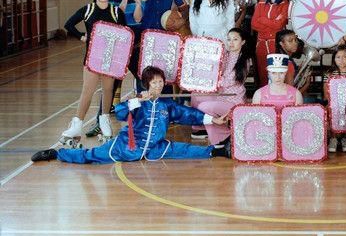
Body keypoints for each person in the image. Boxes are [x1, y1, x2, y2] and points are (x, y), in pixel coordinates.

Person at [32, 66, 230, 164]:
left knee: (182, 149)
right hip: (126, 147)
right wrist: (138, 101)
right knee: (91, 156)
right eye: (154, 82)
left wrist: (214, 120)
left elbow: (188, 114)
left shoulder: (167, 104)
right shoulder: (137, 102)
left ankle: (216, 152)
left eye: (161, 82)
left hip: (154, 147)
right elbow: (119, 113)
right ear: (147, 84)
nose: (158, 85)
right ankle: (57, 154)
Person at [59, 0, 128, 145]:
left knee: (108, 90)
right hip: (92, 59)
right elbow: (69, 24)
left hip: (110, 59)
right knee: (87, 92)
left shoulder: (116, 12)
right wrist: (81, 36)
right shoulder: (88, 9)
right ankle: (77, 125)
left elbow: (125, 34)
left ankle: (104, 122)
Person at [86, 0, 145, 138]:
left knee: (142, 80)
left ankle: (142, 120)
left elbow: (138, 19)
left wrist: (138, 3)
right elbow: (115, 16)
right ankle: (100, 122)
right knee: (110, 87)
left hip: (135, 45)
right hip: (117, 49)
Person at [191, 28, 251, 146]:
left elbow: (229, 81)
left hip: (232, 99)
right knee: (195, 95)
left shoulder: (245, 60)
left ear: (243, 42)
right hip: (220, 94)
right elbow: (213, 70)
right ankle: (201, 128)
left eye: (235, 39)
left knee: (204, 107)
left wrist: (212, 80)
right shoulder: (225, 55)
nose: (231, 43)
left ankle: (224, 136)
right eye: (229, 39)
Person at [251, 0, 290, 86]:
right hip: (261, 45)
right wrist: (272, 23)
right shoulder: (261, 3)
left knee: (277, 75)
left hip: (276, 45)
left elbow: (279, 25)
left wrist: (262, 19)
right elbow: (254, 24)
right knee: (262, 75)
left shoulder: (284, 3)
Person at [323, 44, 346, 153]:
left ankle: (345, 139)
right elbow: (326, 90)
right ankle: (333, 139)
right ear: (334, 59)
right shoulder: (329, 74)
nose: (341, 60)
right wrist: (330, 102)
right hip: (333, 104)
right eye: (338, 57)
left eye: (344, 57)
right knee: (332, 116)